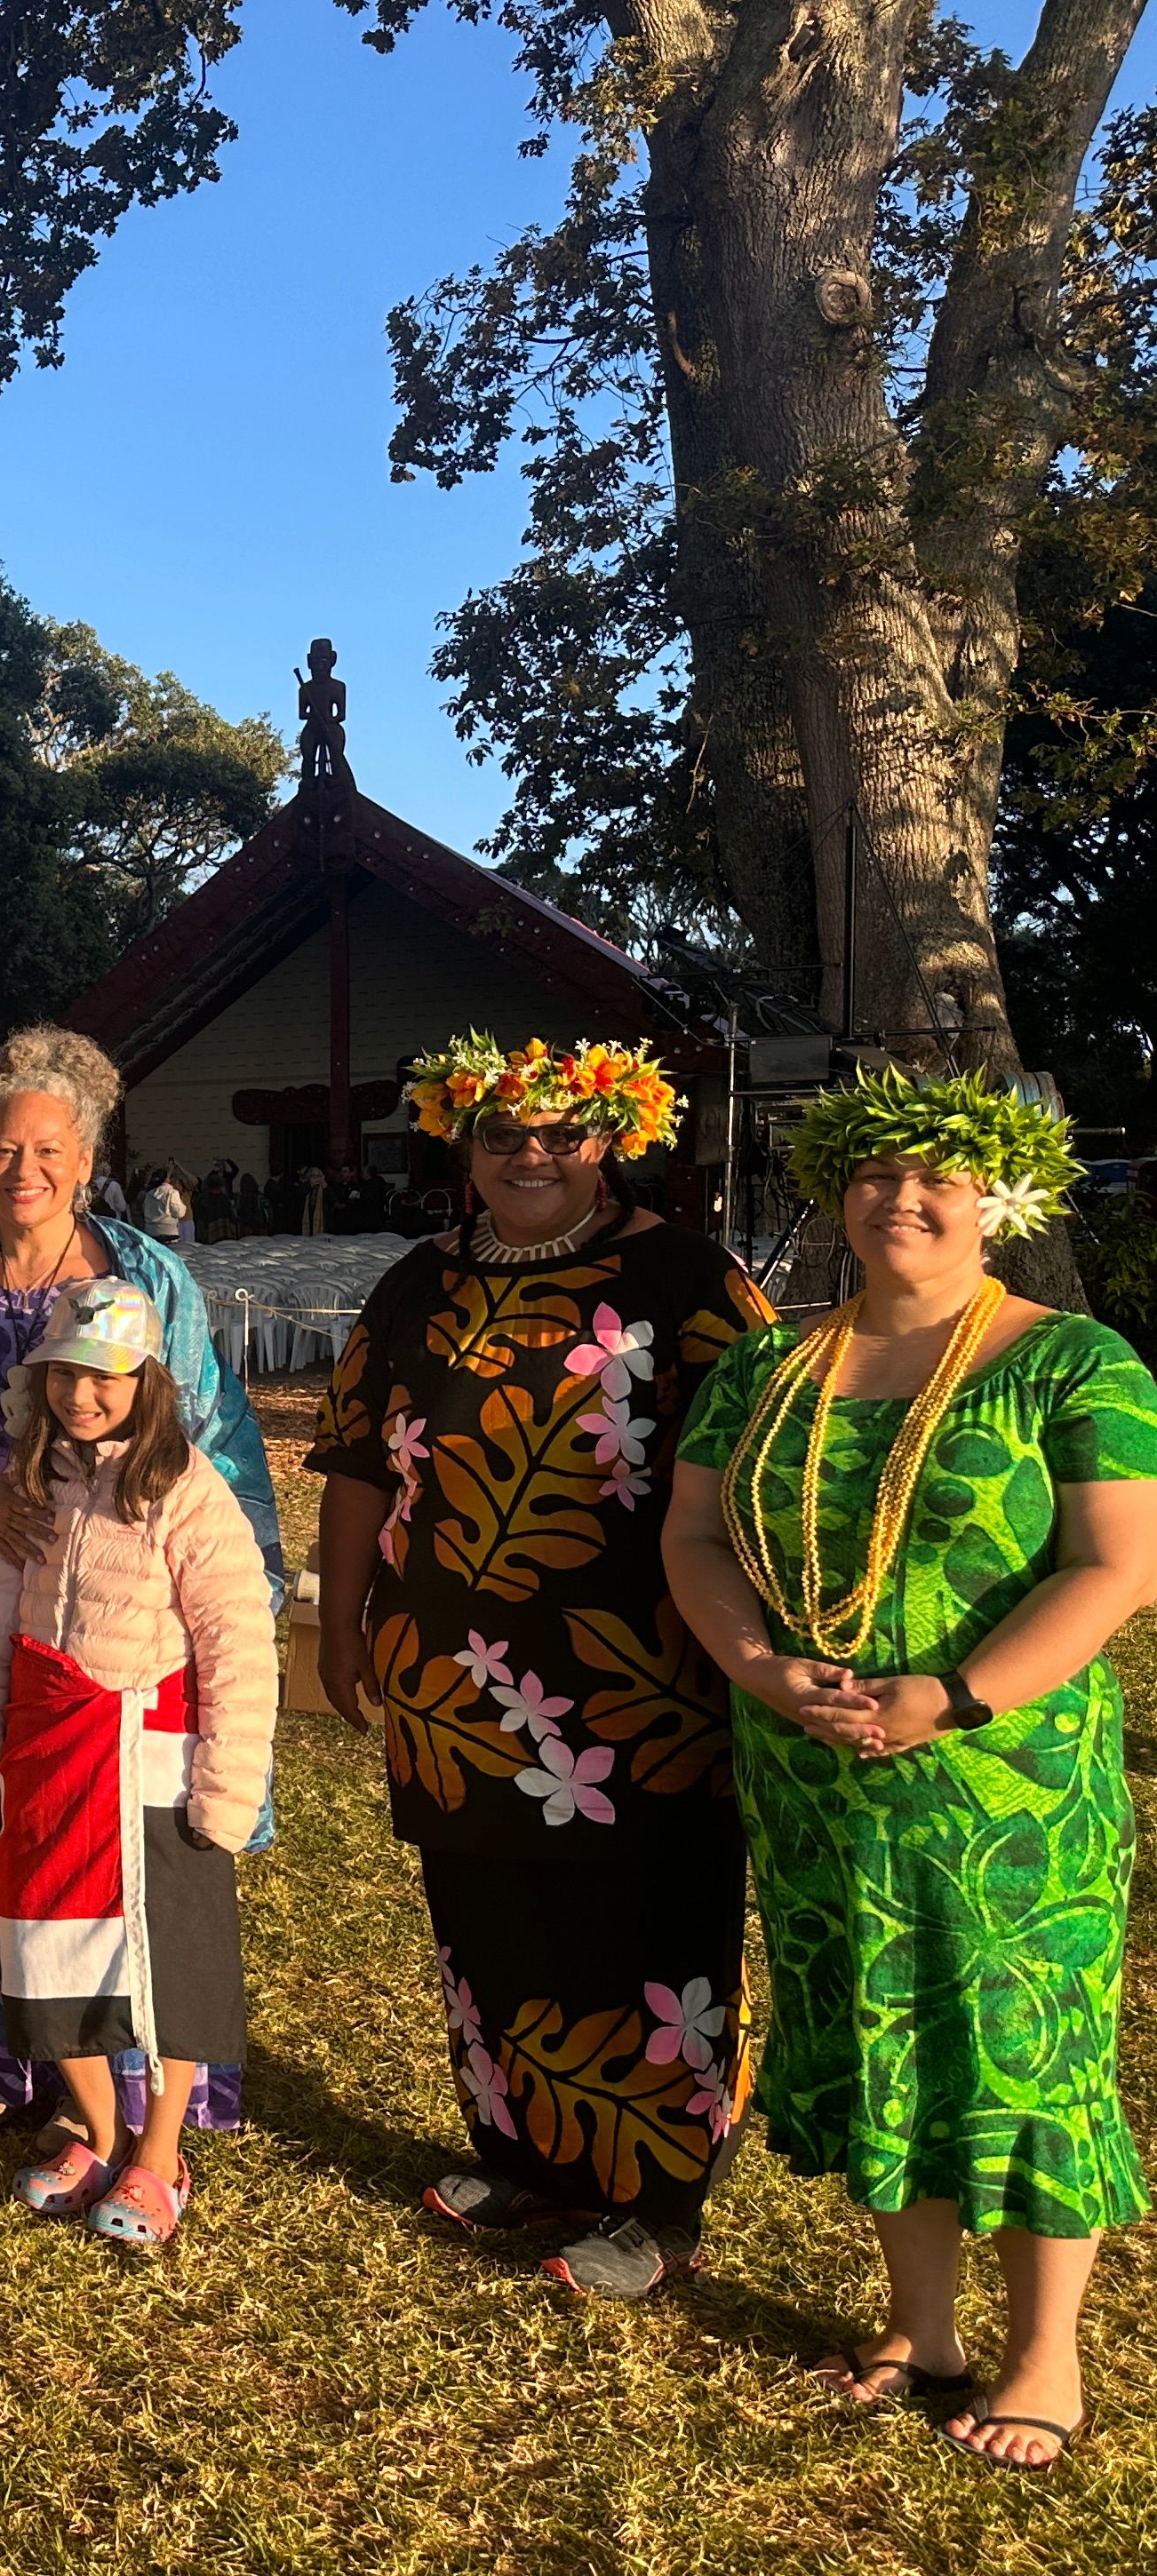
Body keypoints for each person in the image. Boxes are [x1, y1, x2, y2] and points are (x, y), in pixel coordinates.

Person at [664, 1069, 1157, 2463]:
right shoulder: (771, 1363)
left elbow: (1120, 1565)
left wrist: (957, 1693)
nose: (903, 1198)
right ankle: (919, 2324)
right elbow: (696, 1537)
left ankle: (1044, 2359)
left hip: (1003, 1789)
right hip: (813, 1772)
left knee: (1021, 2053)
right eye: (876, 1173)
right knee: (874, 2036)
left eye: (938, 1174)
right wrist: (761, 1670)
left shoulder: (1075, 1362)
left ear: (999, 1196)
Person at [310, 1034, 770, 2297]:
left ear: (611, 1137)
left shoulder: (688, 1278)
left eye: (562, 1133)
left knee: (643, 1924)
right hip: (449, 1676)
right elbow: (356, 1460)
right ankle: (525, 2158)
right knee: (486, 1915)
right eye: (502, 1134)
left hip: (643, 1673)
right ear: (460, 1142)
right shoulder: (416, 1283)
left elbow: (766, 1468)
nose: (530, 1155)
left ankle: (658, 2202)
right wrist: (340, 1620)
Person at [0, 1024, 281, 2135]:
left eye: (49, 1152)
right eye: (4, 1151)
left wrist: (231, 1578)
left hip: (118, 1590)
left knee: (109, 1825)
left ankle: (118, 2081)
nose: (24, 1172)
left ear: (87, 1162)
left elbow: (209, 1428)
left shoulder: (149, 1274)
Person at [0, 1280, 275, 2246]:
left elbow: (238, 1637)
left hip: (152, 1753)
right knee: (42, 1944)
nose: (82, 1396)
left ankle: (160, 2153)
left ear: (147, 1381)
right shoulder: (35, 1483)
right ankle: (100, 2130)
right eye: (64, 1375)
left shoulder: (186, 1490)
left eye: (105, 1377)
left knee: (162, 1958)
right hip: (48, 1748)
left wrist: (228, 1783)